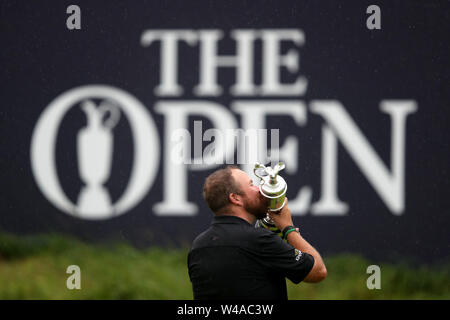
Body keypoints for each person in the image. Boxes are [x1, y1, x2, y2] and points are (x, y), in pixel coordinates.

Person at [188, 165, 327, 300]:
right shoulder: (259, 240)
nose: (259, 189)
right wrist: (288, 228)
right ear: (235, 198)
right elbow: (318, 272)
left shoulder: (198, 246)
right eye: (251, 185)